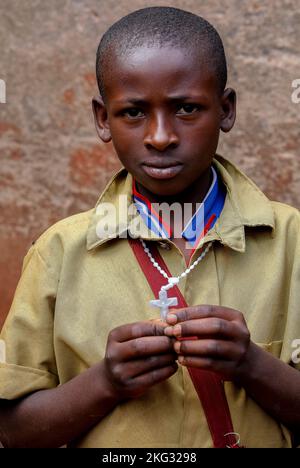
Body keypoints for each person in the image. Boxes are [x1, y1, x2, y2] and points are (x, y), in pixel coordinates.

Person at [0, 6, 299, 448]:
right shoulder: (60, 252)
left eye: (187, 108)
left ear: (226, 110)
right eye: (134, 113)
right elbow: (13, 431)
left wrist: (253, 366)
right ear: (103, 119)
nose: (160, 136)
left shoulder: (290, 241)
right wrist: (104, 382)